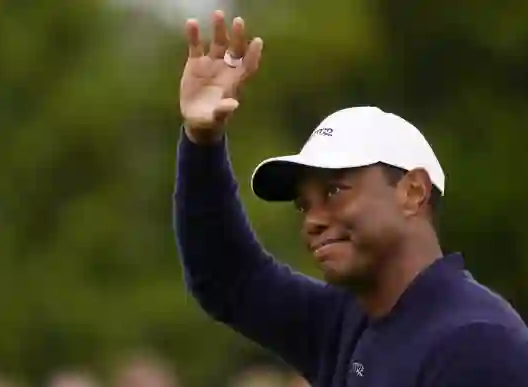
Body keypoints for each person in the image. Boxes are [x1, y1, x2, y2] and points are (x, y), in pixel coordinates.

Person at [173, 9, 528, 387]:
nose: (313, 219)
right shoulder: (349, 321)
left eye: (333, 191)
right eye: (304, 204)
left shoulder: (476, 344)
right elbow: (228, 278)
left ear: (413, 192)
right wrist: (202, 140)